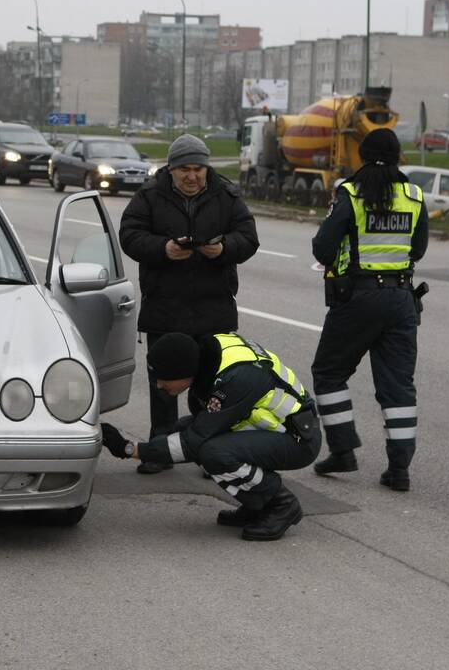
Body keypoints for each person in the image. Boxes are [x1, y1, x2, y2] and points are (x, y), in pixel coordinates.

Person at [119, 134, 259, 474]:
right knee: (164, 385)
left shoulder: (226, 195)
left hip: (214, 308)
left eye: (198, 169)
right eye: (185, 170)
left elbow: (249, 238)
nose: (193, 176)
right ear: (172, 169)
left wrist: (224, 248)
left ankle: (210, 451)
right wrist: (163, 249)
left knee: (214, 386)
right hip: (166, 307)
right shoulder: (150, 195)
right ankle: (160, 448)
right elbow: (130, 235)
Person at [100, 332, 321, 541]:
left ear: (183, 372)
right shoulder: (211, 358)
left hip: (299, 440)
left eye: (163, 378)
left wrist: (131, 449)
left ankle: (281, 504)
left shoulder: (236, 378)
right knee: (183, 431)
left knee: (212, 452)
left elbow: (192, 443)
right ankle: (257, 504)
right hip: (275, 430)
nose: (159, 385)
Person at [309, 128, 428, 491]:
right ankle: (399, 470)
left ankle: (343, 450)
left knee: (328, 372)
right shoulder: (414, 195)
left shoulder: (350, 193)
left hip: (358, 300)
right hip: (401, 300)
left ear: (362, 156)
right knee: (398, 388)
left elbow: (323, 248)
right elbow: (417, 250)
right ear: (397, 158)